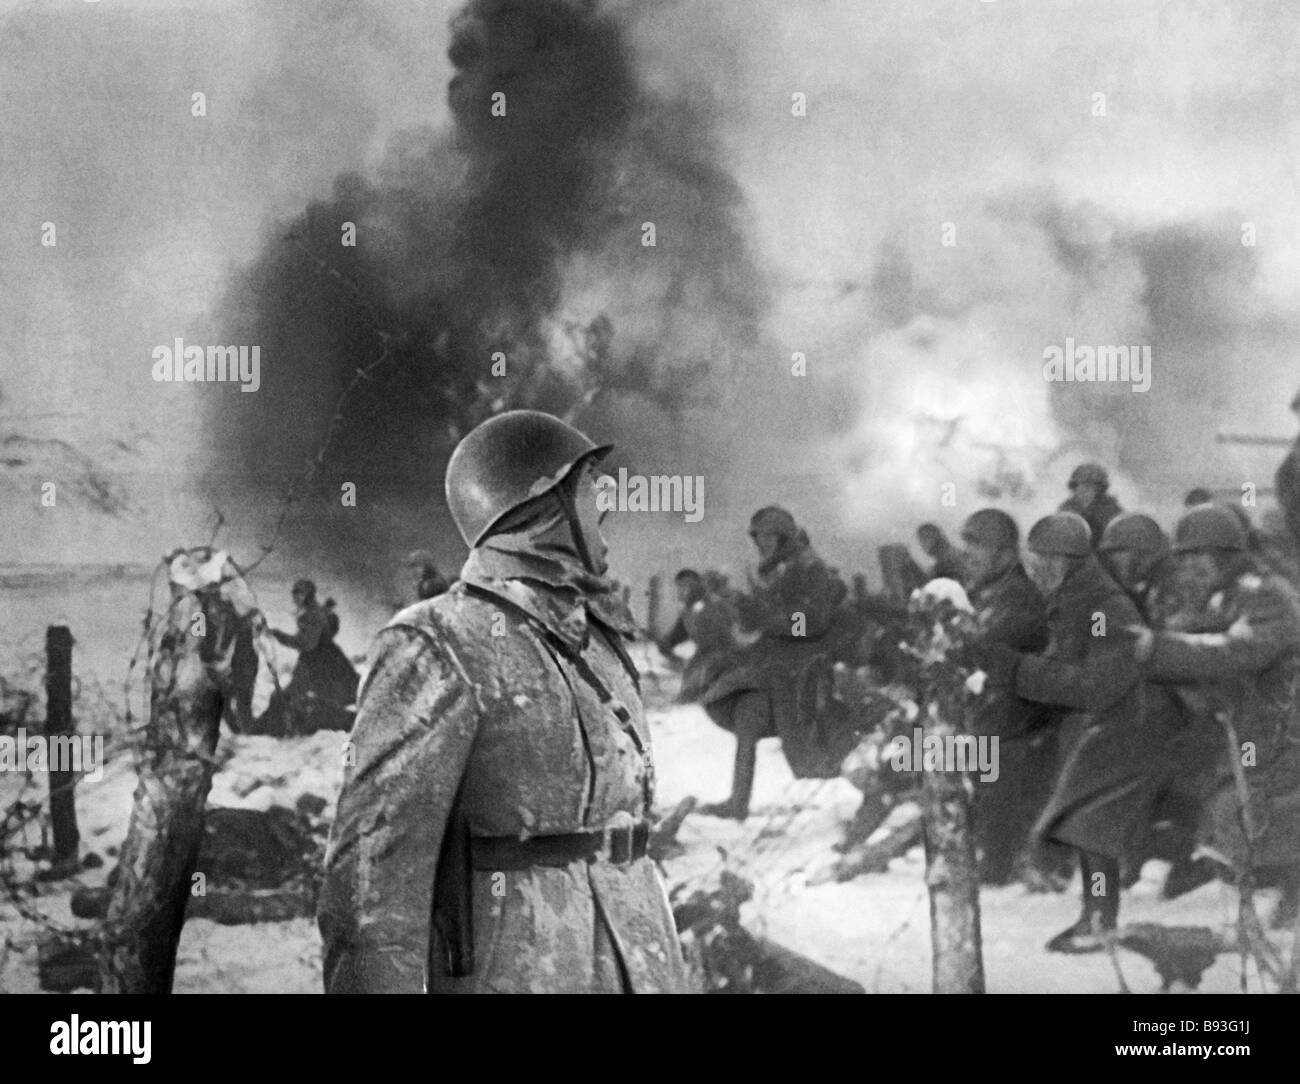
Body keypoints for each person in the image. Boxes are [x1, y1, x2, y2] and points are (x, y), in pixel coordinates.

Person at [318, 410, 690, 993]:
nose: (607, 501)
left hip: (641, 967)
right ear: (540, 506)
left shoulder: (601, 642)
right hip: (522, 968)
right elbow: (372, 886)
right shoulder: (439, 640)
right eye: (589, 485)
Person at [978, 513, 1184, 952]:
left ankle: (1099, 920)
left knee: (1090, 826)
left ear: (1064, 562)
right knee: (1085, 827)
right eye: (1032, 563)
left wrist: (1017, 670)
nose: (1035, 573)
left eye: (1042, 564)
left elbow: (1095, 685)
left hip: (1122, 726)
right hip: (1101, 727)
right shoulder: (1076, 600)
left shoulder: (1102, 609)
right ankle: (1095, 916)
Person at [1132, 504, 1300, 928]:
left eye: (1198, 561)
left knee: (1251, 810)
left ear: (1225, 556)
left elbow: (1236, 652)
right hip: (1247, 724)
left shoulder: (1265, 595)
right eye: (1184, 563)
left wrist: (1158, 648)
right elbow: (1198, 643)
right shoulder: (1222, 597)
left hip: (1281, 727)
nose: (1189, 572)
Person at [693, 507, 849, 819]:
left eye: (767, 536)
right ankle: (738, 802)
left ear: (783, 537)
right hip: (775, 666)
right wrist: (731, 597)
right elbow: (759, 616)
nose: (761, 543)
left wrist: (775, 621)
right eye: (758, 537)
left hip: (801, 669)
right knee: (747, 717)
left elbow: (813, 622)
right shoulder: (777, 570)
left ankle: (875, 784)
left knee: (809, 763)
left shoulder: (808, 567)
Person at [1097, 513, 1214, 894]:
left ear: (1141, 551)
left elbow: (1173, 645)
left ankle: (1164, 859)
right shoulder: (1152, 586)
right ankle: (1144, 858)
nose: (1115, 562)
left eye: (1119, 553)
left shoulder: (1172, 587)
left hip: (1193, 704)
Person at [959, 509, 1052, 885]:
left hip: (1022, 713)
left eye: (977, 547)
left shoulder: (1017, 596)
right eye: (967, 545)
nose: (968, 555)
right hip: (999, 705)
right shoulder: (987, 593)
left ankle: (997, 856)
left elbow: (987, 644)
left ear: (1005, 555)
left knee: (990, 741)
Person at [252, 579, 359, 736]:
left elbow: (306, 643)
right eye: (294, 593)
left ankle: (274, 726)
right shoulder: (315, 612)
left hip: (316, 663)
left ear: (308, 595)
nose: (295, 597)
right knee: (314, 697)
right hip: (325, 659)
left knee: (303, 697)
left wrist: (277, 634)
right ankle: (275, 724)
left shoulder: (311, 614)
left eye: (300, 593)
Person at [656, 569, 743, 704]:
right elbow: (675, 637)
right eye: (680, 587)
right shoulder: (689, 612)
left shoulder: (715, 605)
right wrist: (666, 646)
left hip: (725, 658)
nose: (682, 591)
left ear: (697, 585)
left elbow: (722, 635)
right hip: (706, 659)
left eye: (687, 586)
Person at [1058, 462, 1122, 548]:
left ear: (1099, 490)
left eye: (1090, 486)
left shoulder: (1111, 510)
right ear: (1075, 487)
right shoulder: (1066, 509)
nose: (1084, 490)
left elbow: (1118, 537)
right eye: (1081, 485)